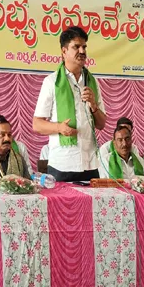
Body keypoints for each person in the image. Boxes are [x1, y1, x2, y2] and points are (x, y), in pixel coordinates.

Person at [33, 26, 107, 182]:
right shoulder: (52, 82)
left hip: (90, 164)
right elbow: (37, 124)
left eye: (84, 47)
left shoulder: (92, 82)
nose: (82, 51)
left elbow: (101, 124)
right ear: (64, 51)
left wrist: (94, 106)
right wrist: (59, 128)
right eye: (76, 47)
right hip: (63, 165)